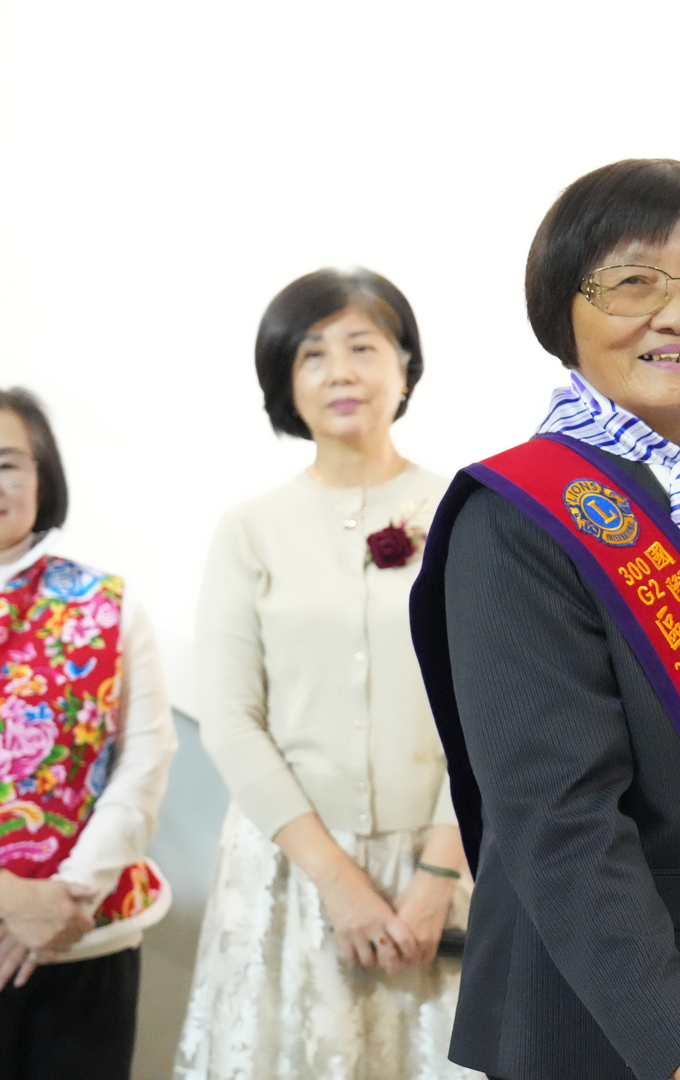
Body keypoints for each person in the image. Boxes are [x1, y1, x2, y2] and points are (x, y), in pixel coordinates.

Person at [409, 159, 680, 1080]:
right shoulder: (518, 516)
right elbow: (559, 822)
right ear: (562, 310)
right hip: (616, 1028)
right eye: (634, 281)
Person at [175, 268, 472, 1079]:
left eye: (362, 347)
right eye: (312, 354)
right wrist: (336, 881)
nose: (340, 372)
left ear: (405, 367)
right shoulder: (249, 529)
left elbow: (490, 710)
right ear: (285, 381)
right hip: (294, 868)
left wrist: (437, 876)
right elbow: (231, 717)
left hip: (443, 866)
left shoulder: (466, 513)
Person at [0, 382, 176, 1079]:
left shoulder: (106, 601)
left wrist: (67, 898)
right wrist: (3, 893)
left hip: (85, 939)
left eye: (8, 464)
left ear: (43, 480)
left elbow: (146, 757)